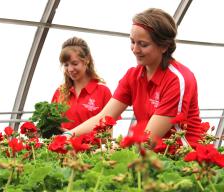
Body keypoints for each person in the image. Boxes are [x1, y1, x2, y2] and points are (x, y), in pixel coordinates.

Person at [63, 8, 206, 148]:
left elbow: (150, 138)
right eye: (133, 41)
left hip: (183, 161)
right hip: (153, 158)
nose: (135, 49)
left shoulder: (177, 79)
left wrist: (116, 151)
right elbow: (105, 116)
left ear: (164, 46)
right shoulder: (133, 76)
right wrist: (68, 136)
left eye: (143, 44)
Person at [51, 36, 112, 131]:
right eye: (66, 65)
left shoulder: (103, 91)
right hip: (65, 146)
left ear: (86, 60)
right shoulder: (60, 92)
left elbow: (108, 133)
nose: (70, 69)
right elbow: (52, 127)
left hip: (93, 146)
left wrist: (72, 135)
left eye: (75, 63)